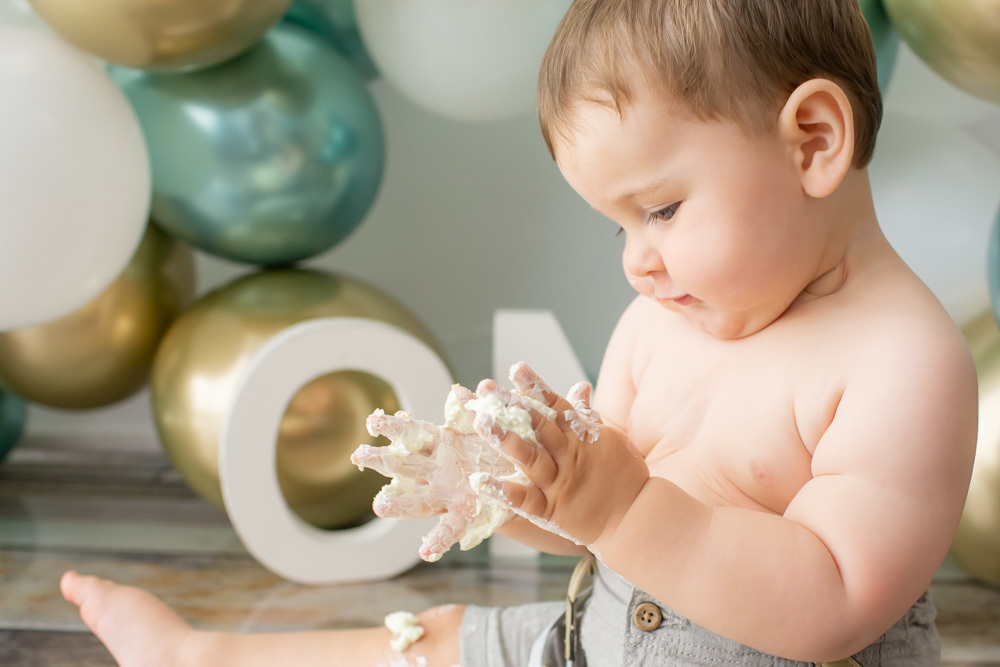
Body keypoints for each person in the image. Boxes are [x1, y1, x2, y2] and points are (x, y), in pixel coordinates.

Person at [60, 0, 978, 664]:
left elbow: (834, 603)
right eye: (615, 225)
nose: (636, 261)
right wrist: (534, 491)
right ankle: (204, 656)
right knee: (443, 638)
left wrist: (621, 507)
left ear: (813, 140)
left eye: (659, 208)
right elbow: (596, 533)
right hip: (589, 640)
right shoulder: (664, 320)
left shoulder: (900, 363)